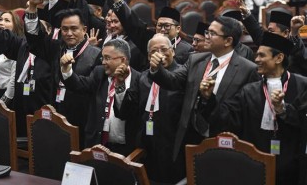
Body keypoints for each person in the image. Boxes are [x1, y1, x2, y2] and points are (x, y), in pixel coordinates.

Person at [148, 16, 260, 163]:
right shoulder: (196, 60)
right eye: (207, 32)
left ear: (228, 41)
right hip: (190, 134)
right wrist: (156, 69)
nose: (206, 36)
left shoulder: (247, 70)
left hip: (223, 139)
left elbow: (245, 114)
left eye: (212, 33)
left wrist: (209, 99)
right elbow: (173, 81)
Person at [200, 32, 307, 185]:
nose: (256, 60)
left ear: (279, 58)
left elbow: (303, 123)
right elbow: (225, 118)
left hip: (293, 166)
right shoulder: (249, 91)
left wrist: (283, 109)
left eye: (262, 56)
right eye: (257, 55)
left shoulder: (302, 85)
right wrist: (208, 98)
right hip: (256, 164)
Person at [24, 0, 101, 148]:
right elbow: (34, 39)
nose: (69, 33)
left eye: (74, 28)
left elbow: (90, 87)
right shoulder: (56, 47)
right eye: (65, 29)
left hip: (82, 119)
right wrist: (32, 7)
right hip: (56, 113)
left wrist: (67, 72)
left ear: (84, 30)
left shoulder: (96, 55)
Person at [0, 0, 54, 137]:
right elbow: (0, 37)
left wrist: (32, 9)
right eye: (30, 30)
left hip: (43, 112)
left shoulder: (52, 50)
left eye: (37, 29)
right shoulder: (23, 45)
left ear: (49, 32)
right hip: (19, 107)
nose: (31, 33)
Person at [120, 34, 185, 184]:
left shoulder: (182, 76)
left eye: (164, 49)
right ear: (149, 56)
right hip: (146, 144)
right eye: (155, 51)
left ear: (173, 51)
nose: (160, 54)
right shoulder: (142, 77)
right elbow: (127, 111)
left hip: (173, 145)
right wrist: (121, 86)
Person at [61, 39, 140, 156]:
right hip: (96, 141)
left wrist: (120, 86)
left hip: (124, 147)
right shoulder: (99, 73)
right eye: (102, 58)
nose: (103, 62)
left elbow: (131, 112)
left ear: (123, 60)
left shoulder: (138, 79)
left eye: (107, 58)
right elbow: (79, 85)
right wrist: (66, 69)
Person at [107, 0, 193, 65]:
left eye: (166, 26)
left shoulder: (186, 50)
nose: (162, 30)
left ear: (178, 29)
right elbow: (133, 23)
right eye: (159, 25)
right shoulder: (150, 40)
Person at [234, 0, 307, 76]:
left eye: (272, 31)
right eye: (268, 31)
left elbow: (301, 57)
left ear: (286, 33)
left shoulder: (296, 48)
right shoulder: (269, 43)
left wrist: (294, 32)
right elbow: (257, 32)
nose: (268, 35)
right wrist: (246, 13)